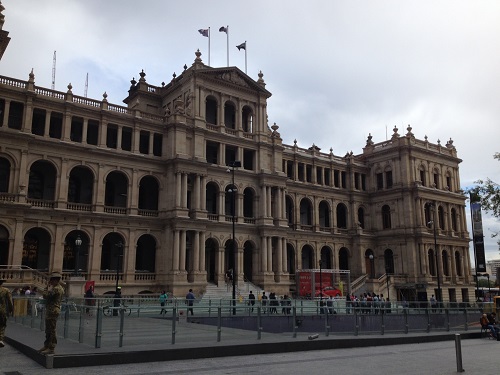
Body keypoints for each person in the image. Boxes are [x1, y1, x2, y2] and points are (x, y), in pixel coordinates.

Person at [39, 272, 64, 355]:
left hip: (53, 311)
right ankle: (47, 345)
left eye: (52, 280)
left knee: (52, 330)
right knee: (48, 330)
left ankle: (51, 347)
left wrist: (47, 288)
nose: (50, 281)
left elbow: (46, 296)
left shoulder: (57, 288)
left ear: (56, 280)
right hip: (50, 310)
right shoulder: (55, 287)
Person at [0, 279, 14, 348]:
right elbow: (10, 301)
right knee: (2, 324)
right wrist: (11, 309)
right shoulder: (5, 290)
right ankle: (0, 339)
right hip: (2, 310)